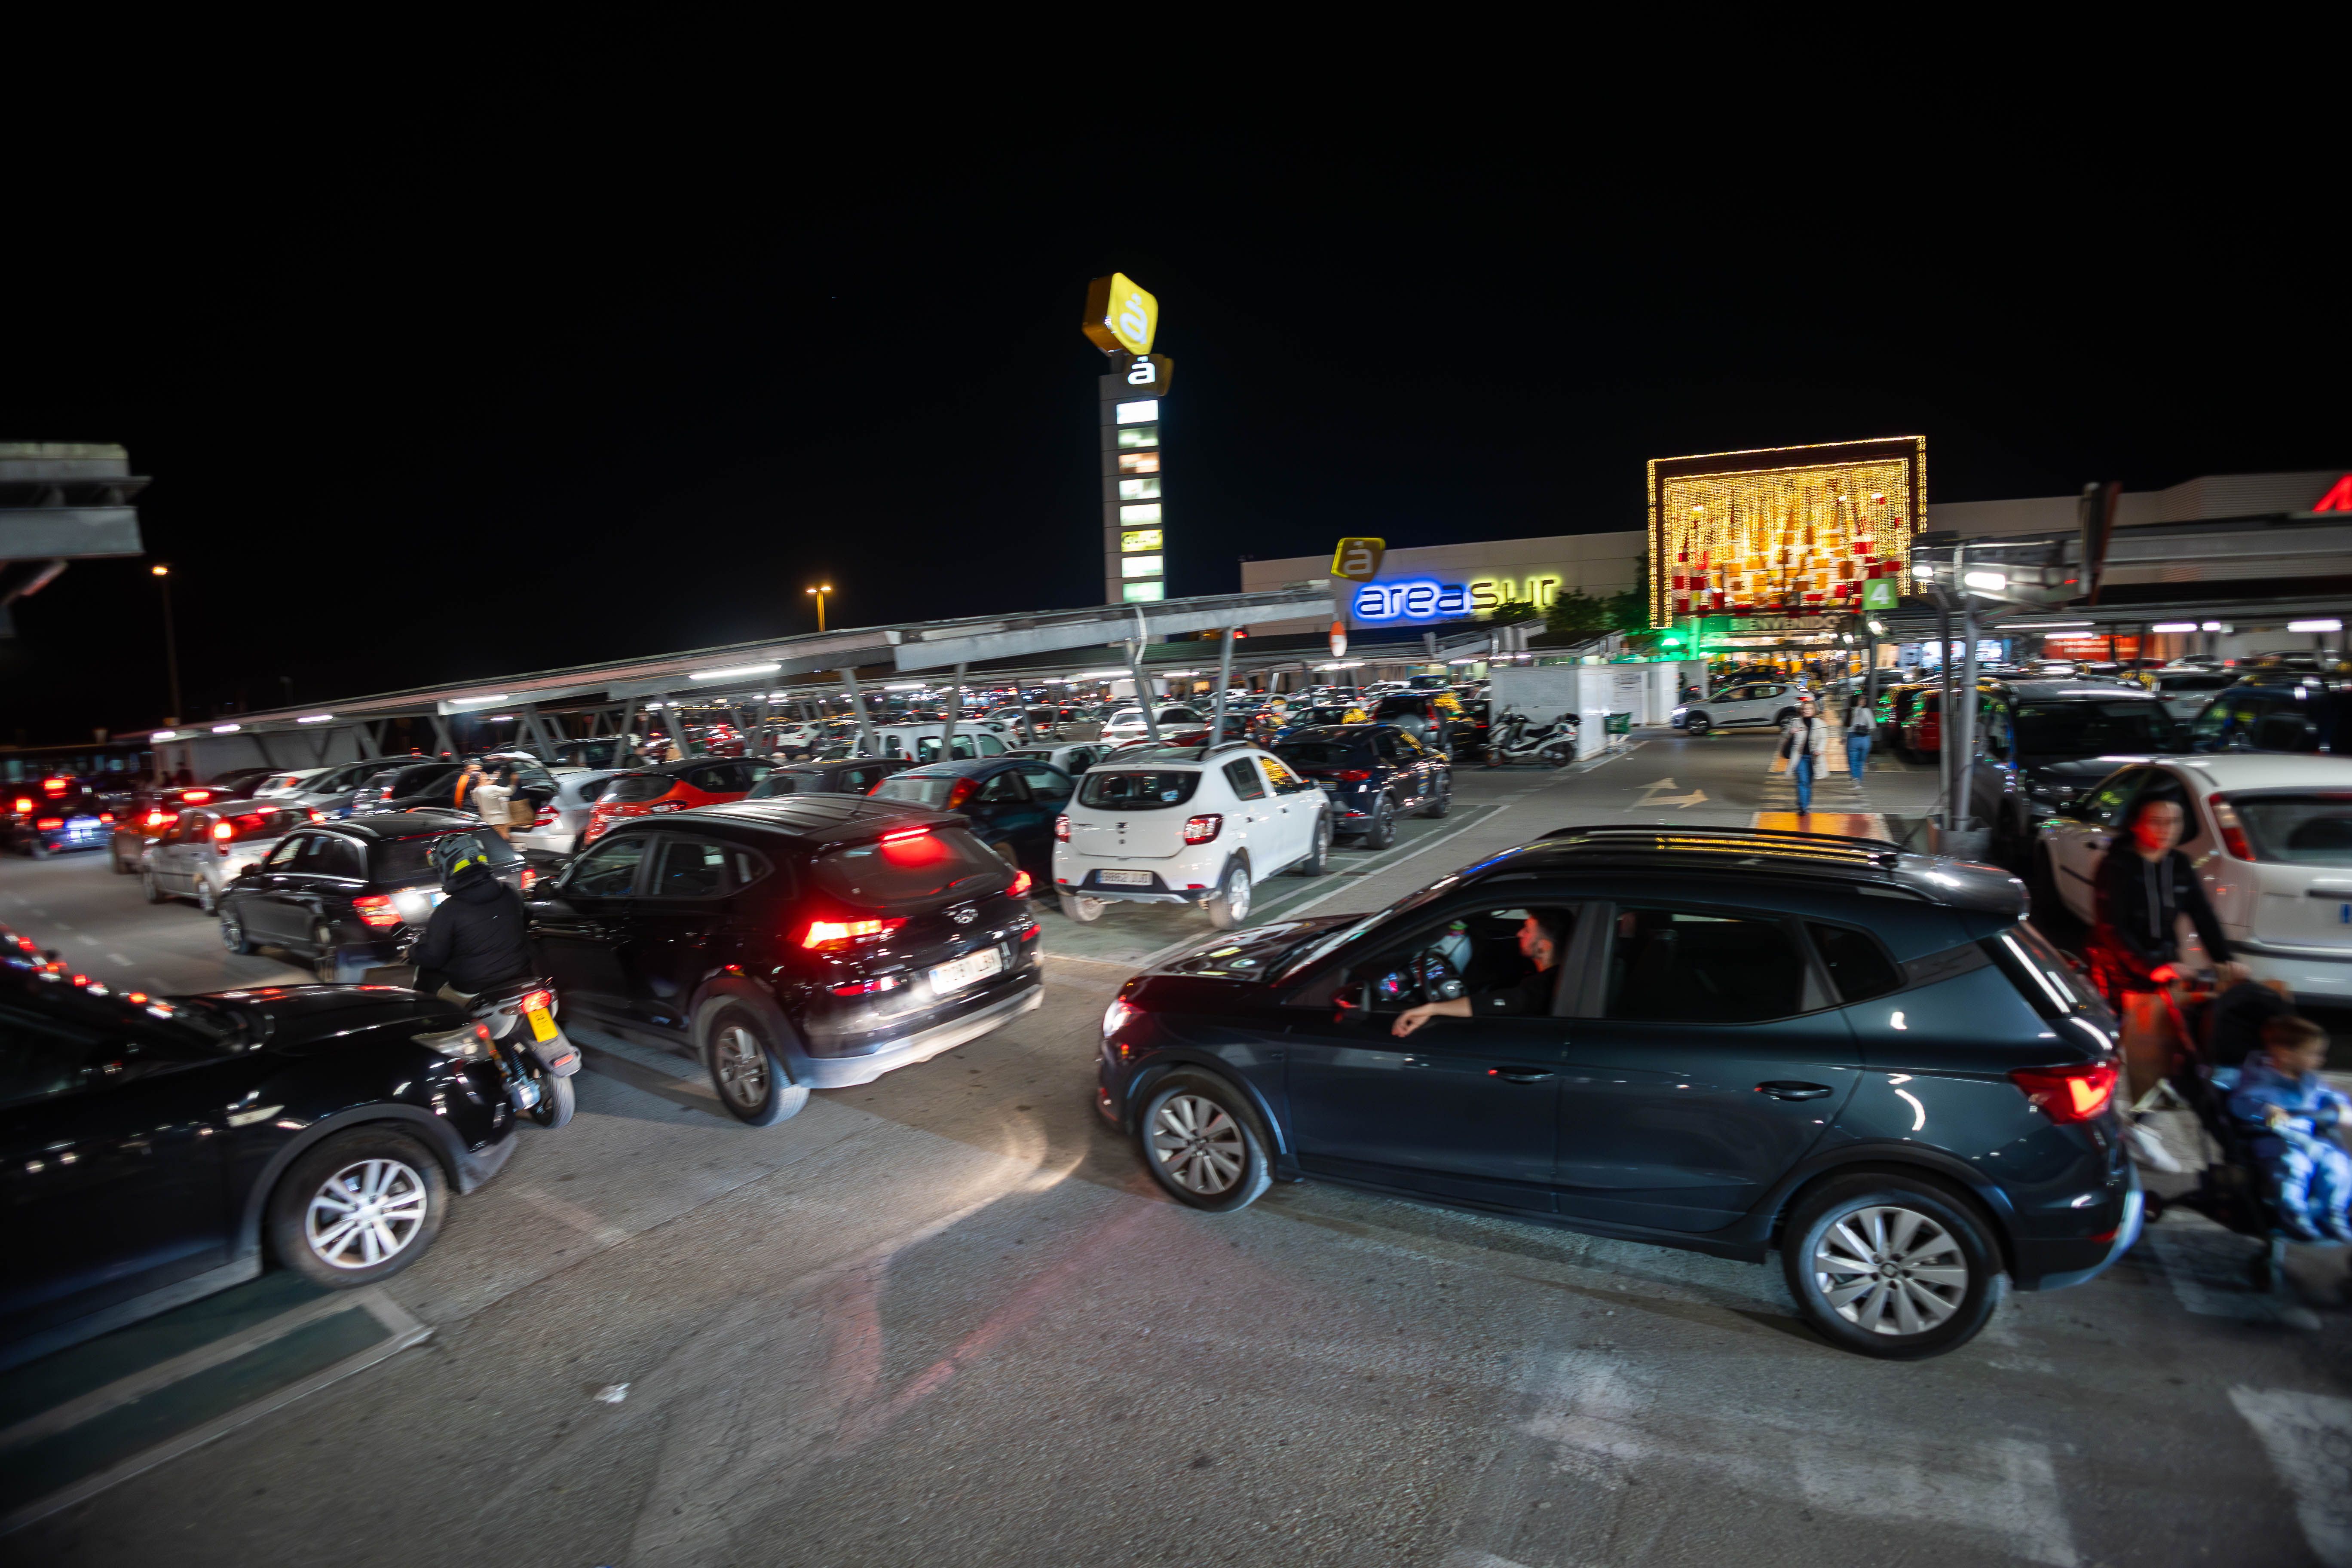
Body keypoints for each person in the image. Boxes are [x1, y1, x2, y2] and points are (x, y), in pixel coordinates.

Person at [2089, 794, 2245, 1097]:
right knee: (2117, 1042)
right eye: (2156, 822)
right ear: (2136, 824)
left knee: (2165, 1038)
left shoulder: (2179, 864)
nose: (2166, 829)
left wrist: (2226, 961)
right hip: (2117, 968)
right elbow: (2111, 928)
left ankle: (2151, 1095)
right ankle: (2106, 1102)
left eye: (2174, 822)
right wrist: (2151, 967)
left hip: (2165, 962)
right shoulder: (2116, 866)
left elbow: (2202, 915)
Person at [2227, 1014, 2352, 1242]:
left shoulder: (2309, 1081)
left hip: (2309, 1137)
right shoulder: (2258, 1079)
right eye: (2313, 1054)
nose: (2320, 1060)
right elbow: (2240, 1103)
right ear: (2286, 1055)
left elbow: (2328, 1096)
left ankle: (2334, 1212)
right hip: (2274, 1137)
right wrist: (2267, 1109)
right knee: (2293, 1164)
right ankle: (2293, 1212)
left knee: (2339, 1163)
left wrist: (2340, 1106)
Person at [1392, 910, 1570, 1037]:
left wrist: (1432, 1008)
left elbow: (1497, 1002)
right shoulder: (1557, 974)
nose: (1519, 933)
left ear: (1543, 946)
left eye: (1528, 931)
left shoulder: (1545, 985)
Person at [410, 835, 535, 1005]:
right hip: (521, 975)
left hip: (473, 988)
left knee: (433, 1008)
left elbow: (432, 958)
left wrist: (413, 951)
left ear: (448, 868)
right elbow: (524, 921)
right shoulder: (510, 892)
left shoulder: (449, 909)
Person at [1777, 698, 1831, 814]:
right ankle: (1803, 807)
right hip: (1800, 757)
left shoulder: (1820, 724)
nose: (1806, 711)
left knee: (1809, 783)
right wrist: (1791, 732)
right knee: (1802, 782)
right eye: (1805, 709)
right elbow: (1785, 736)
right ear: (1802, 710)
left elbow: (1824, 739)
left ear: (1814, 710)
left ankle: (1806, 802)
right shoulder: (1796, 722)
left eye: (1810, 709)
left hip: (1813, 759)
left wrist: (1819, 749)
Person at [470, 766, 513, 842]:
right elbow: (510, 791)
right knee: (504, 842)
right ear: (480, 779)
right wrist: (514, 781)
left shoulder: (474, 792)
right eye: (485, 777)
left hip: (488, 821)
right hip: (499, 821)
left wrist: (494, 778)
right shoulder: (491, 789)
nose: (487, 778)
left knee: (495, 842)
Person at [1843, 692, 1877, 784]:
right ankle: (1859, 780)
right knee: (1861, 762)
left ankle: (1855, 777)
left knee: (1853, 760)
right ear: (1858, 701)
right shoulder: (1867, 711)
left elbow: (1845, 727)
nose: (1864, 701)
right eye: (1862, 699)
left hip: (1852, 739)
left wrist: (1843, 738)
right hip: (1865, 738)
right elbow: (1872, 726)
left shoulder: (1849, 712)